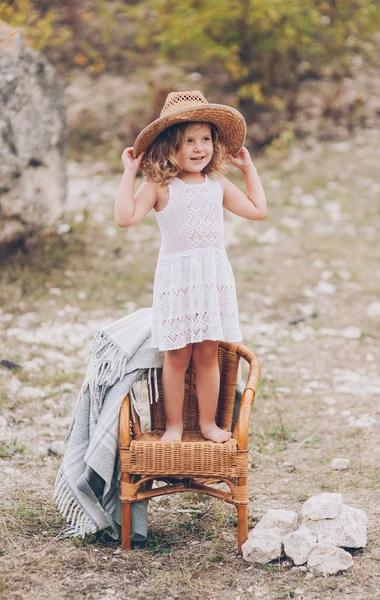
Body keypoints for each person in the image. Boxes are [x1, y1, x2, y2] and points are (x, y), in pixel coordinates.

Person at [114, 91, 267, 444]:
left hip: (211, 278)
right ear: (171, 146)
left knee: (208, 355)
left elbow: (258, 209)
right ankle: (174, 426)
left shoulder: (218, 185)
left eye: (206, 140)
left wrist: (249, 168)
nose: (199, 148)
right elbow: (125, 218)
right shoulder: (160, 186)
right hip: (177, 280)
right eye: (189, 141)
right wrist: (129, 173)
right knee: (178, 355)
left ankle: (210, 424)